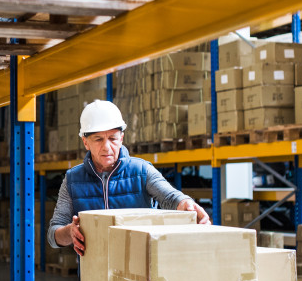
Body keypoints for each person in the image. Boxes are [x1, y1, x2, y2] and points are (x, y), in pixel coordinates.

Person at [47, 100, 210, 256]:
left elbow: (171, 198)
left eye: (112, 138)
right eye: (98, 139)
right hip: (94, 270)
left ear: (121, 139)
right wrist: (69, 232)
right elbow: (53, 235)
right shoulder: (73, 180)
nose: (107, 147)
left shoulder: (141, 171)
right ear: (85, 142)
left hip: (138, 268)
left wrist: (187, 204)